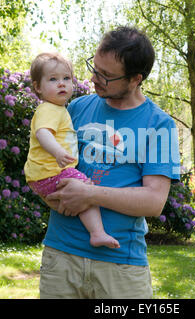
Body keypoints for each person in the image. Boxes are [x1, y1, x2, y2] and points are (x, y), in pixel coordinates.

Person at [39, 26, 181, 299]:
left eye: (106, 76)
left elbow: (154, 202)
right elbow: (47, 166)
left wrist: (88, 194)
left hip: (121, 264)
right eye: (95, 68)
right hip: (61, 256)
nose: (94, 79)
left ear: (135, 79)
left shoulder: (159, 125)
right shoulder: (77, 108)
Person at [24, 52, 120, 249]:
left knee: (74, 200)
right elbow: (43, 134)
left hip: (44, 173)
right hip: (51, 171)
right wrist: (58, 152)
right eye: (53, 79)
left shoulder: (59, 110)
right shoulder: (48, 109)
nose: (61, 84)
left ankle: (89, 228)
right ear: (38, 87)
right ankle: (97, 233)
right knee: (86, 190)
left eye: (66, 78)